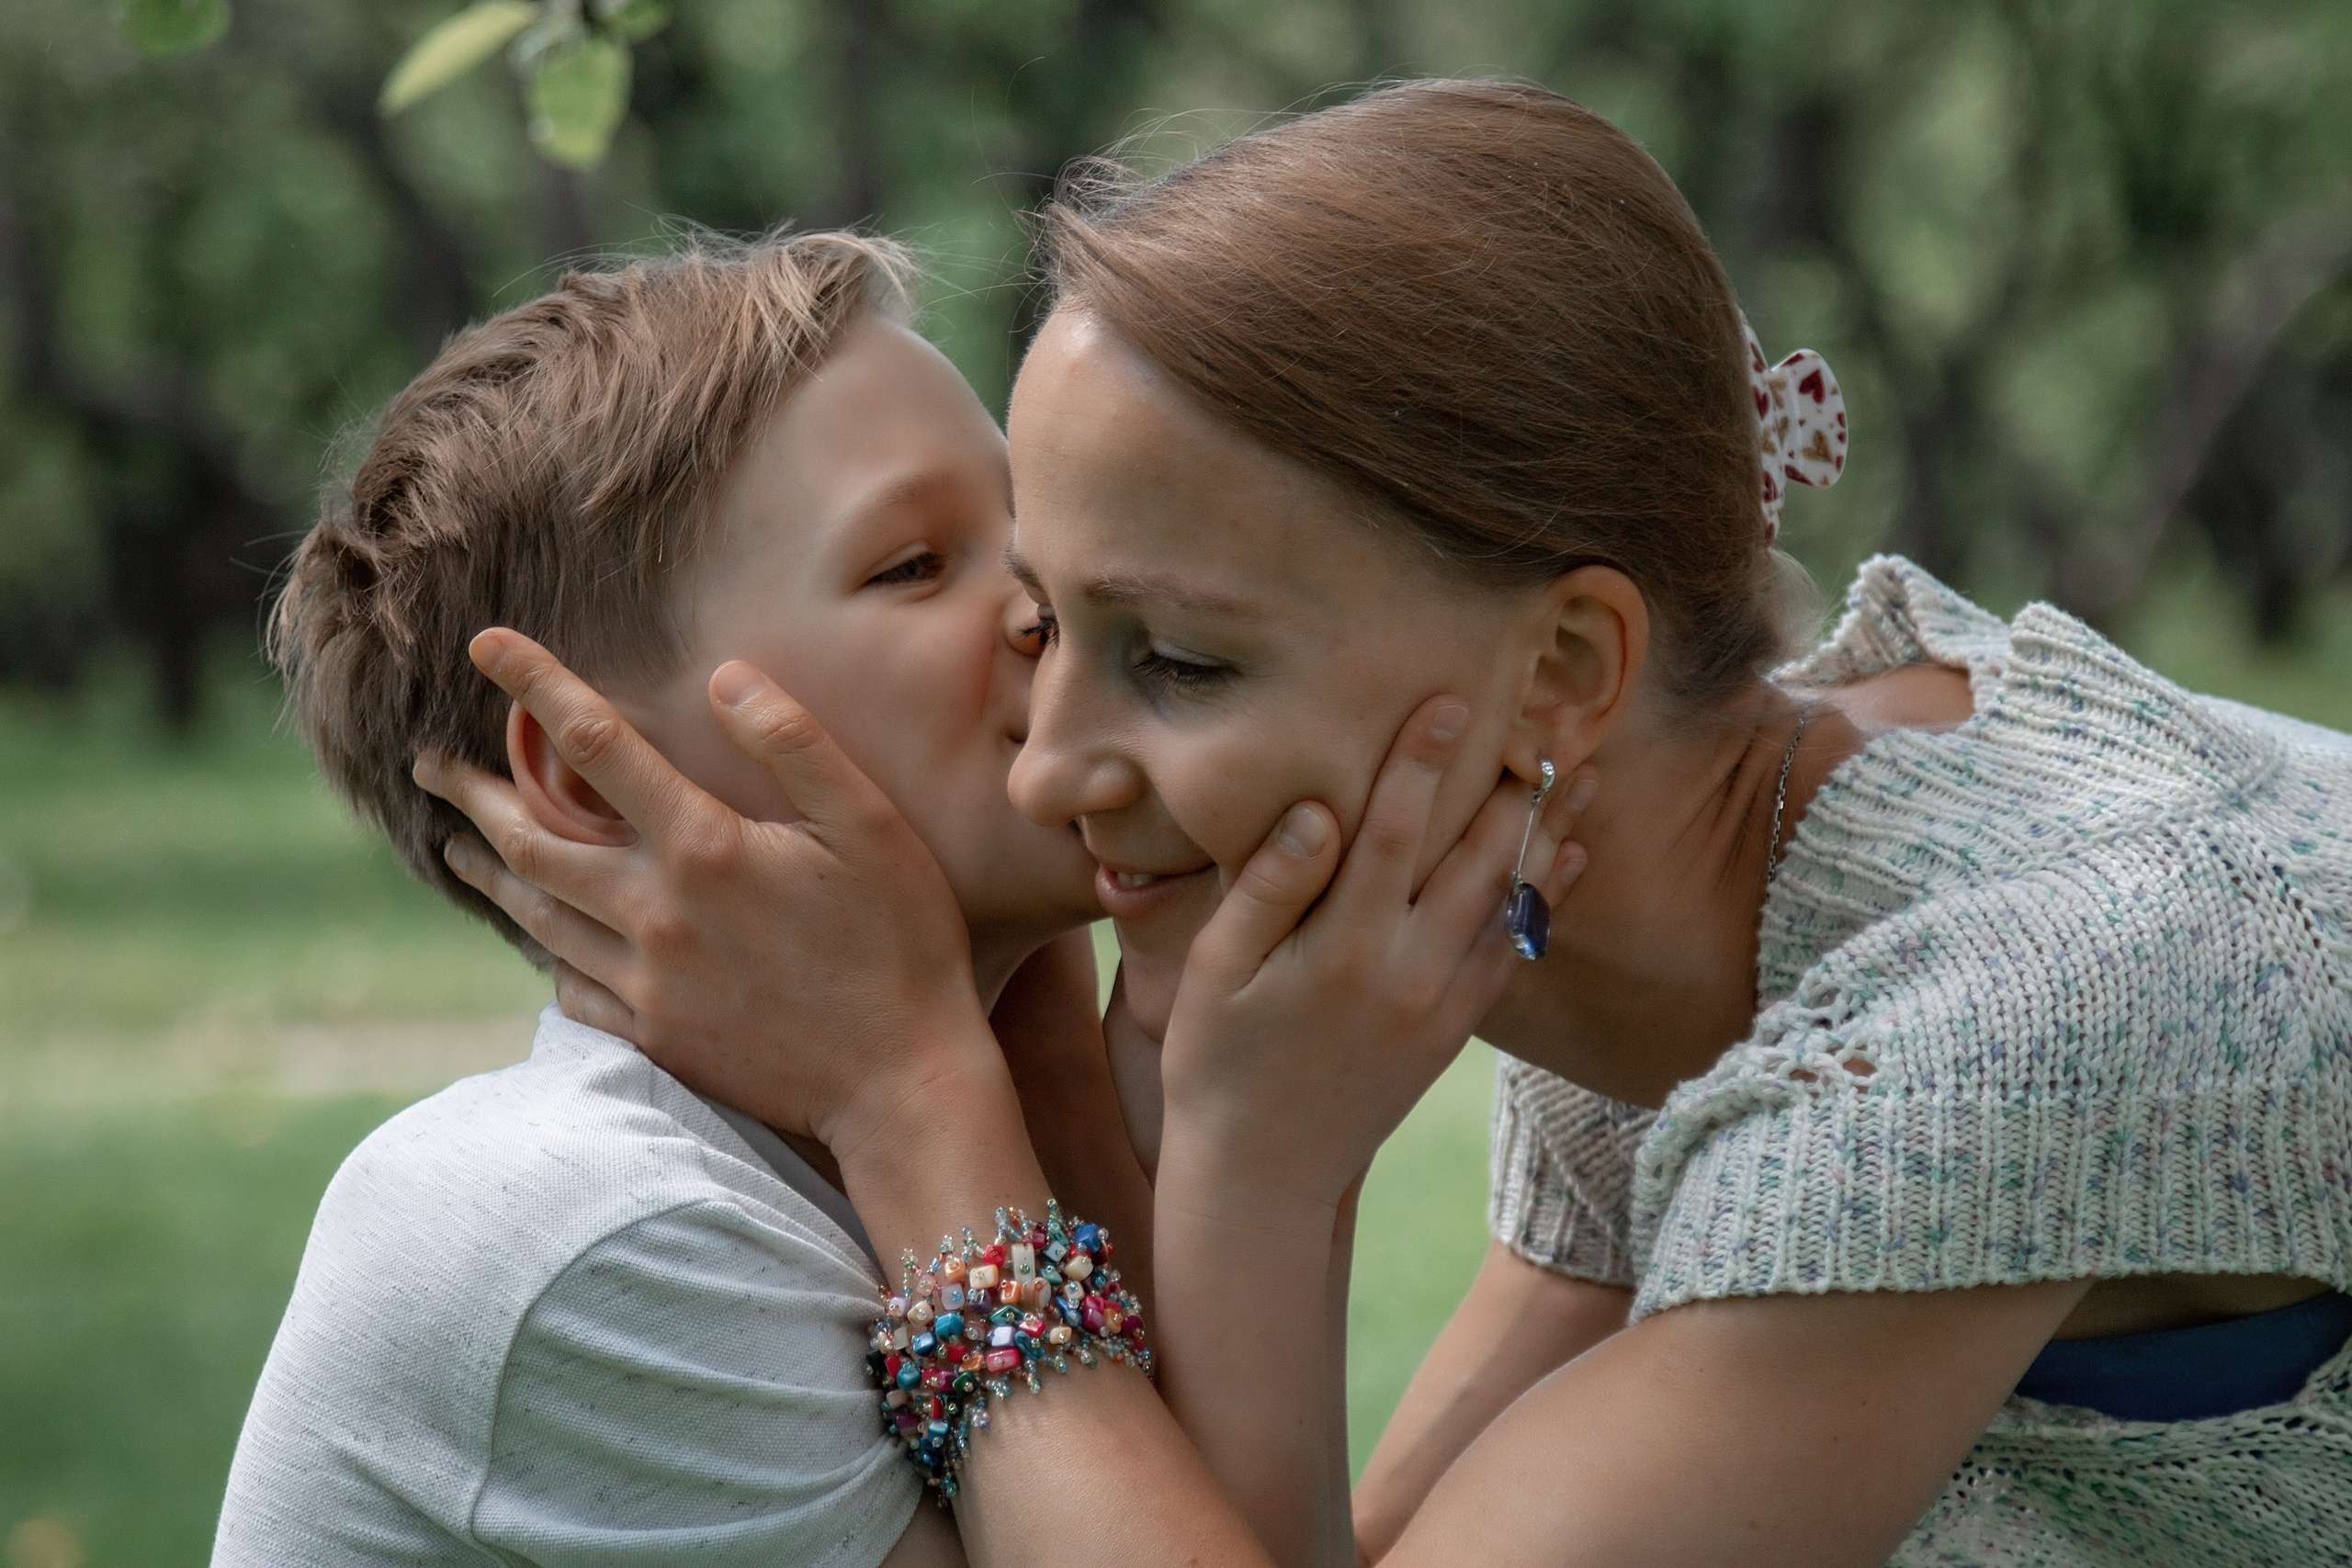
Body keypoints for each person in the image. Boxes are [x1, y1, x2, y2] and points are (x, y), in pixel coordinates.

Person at [424, 81, 2352, 1566]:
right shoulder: (1637, 880)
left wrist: (936, 1108)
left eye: (1174, 657)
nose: (1042, 760)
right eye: (1046, 616)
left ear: (1562, 671)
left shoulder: (1971, 1033)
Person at [213, 231, 1153, 1568]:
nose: (1044, 602)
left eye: (1023, 527)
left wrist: (1059, 1081)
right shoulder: (586, 1230)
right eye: (912, 566)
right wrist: (916, 1084)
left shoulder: (925, 1143)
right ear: (596, 775)